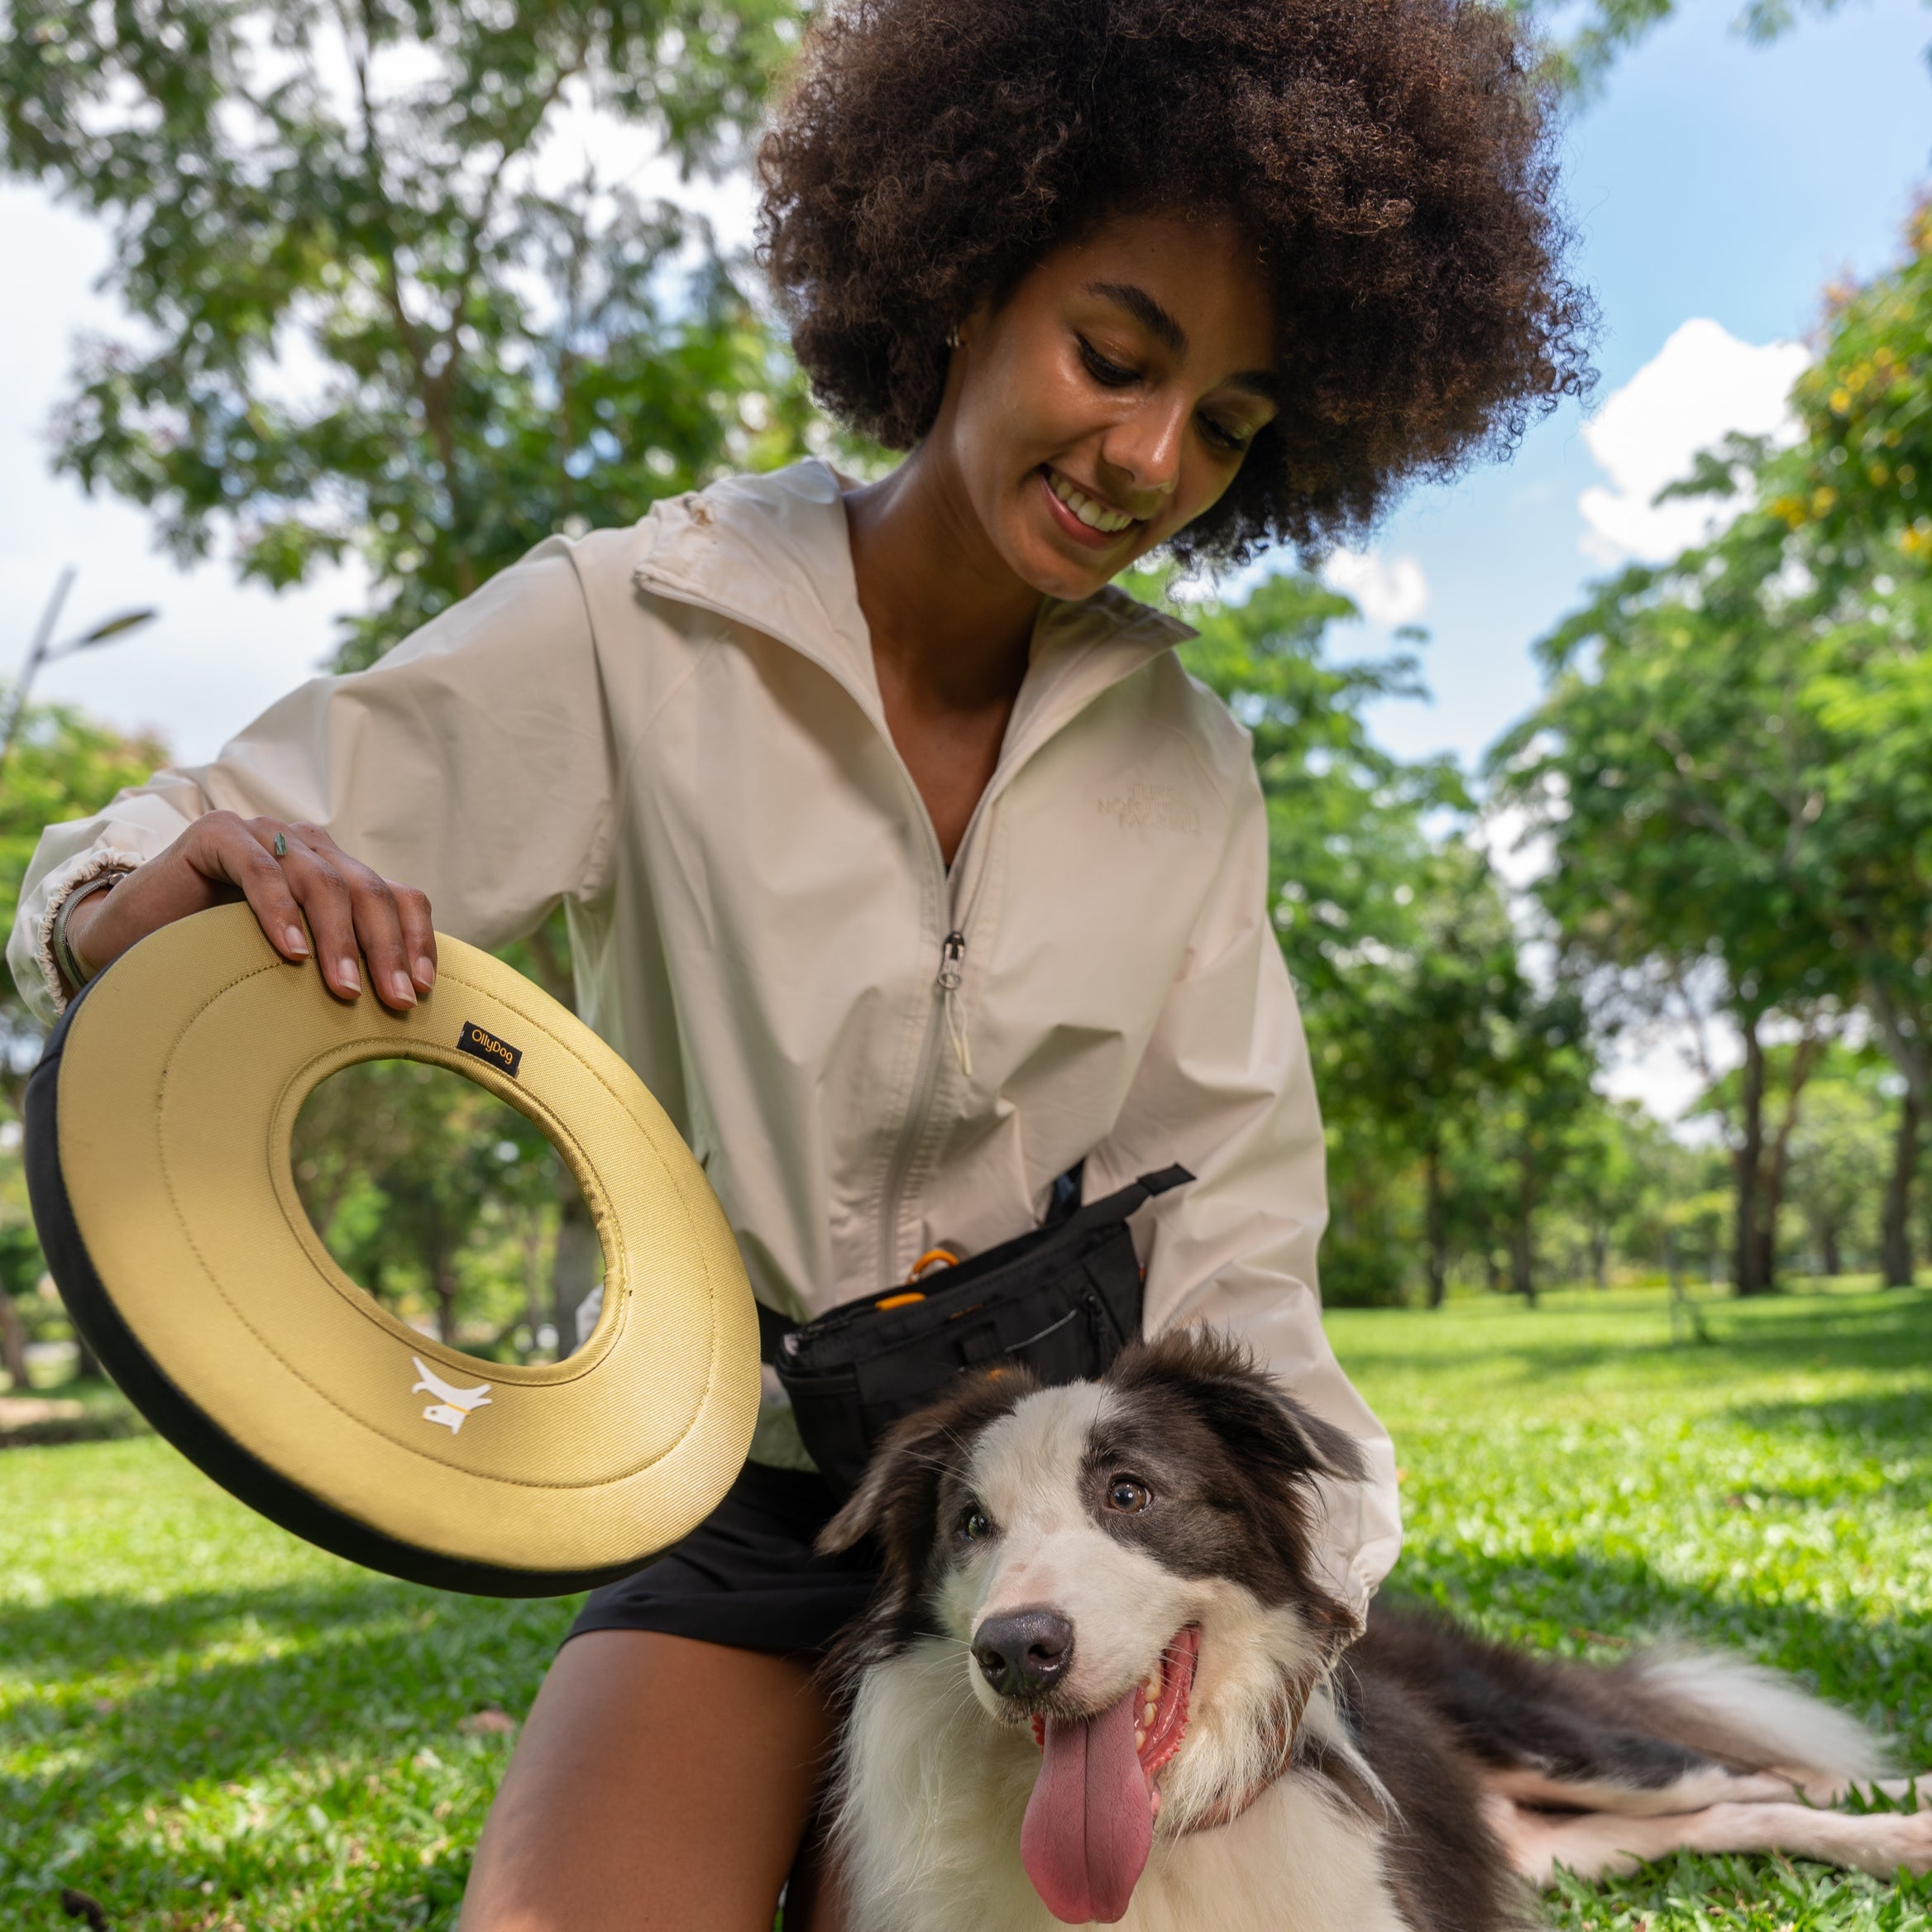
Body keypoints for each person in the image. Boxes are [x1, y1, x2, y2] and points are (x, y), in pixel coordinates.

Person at [8, 0, 1588, 1924]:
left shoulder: (1193, 774)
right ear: (959, 275)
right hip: (746, 1506)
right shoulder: (631, 630)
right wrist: (127, 904)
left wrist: (1293, 1593)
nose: (1151, 456)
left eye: (1231, 426)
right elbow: (161, 839)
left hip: (1070, 1509)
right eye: (1114, 353)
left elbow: (1239, 1244)